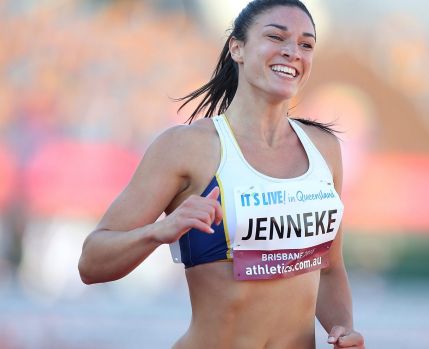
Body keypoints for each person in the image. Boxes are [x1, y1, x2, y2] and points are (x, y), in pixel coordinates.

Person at [78, 0, 365, 348]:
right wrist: (159, 232)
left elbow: (329, 268)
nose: (293, 52)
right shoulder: (186, 147)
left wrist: (343, 330)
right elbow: (91, 263)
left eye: (306, 44)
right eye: (277, 37)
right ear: (237, 48)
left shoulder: (324, 148)